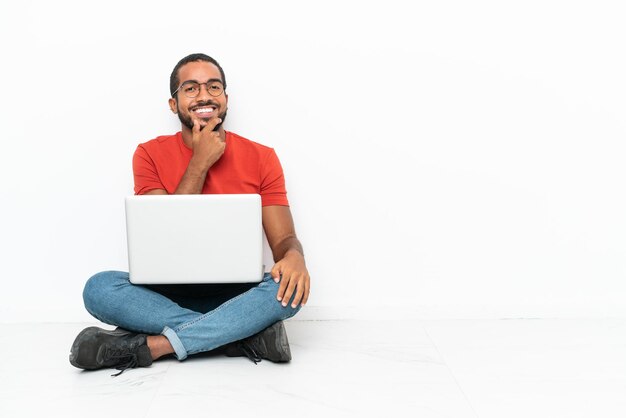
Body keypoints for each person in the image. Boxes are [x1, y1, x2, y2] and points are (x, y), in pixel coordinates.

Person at [69, 53, 310, 376]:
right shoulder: (148, 154)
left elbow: (283, 240)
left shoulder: (262, 156)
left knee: (288, 293)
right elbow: (162, 237)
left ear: (226, 99)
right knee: (98, 288)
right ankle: (238, 338)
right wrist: (200, 161)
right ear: (174, 104)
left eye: (214, 87)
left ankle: (154, 347)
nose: (204, 96)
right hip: (163, 294)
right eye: (191, 89)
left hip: (237, 293)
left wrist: (295, 257)